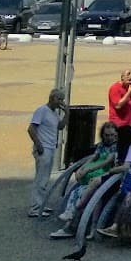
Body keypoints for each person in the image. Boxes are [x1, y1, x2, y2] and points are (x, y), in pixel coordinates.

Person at [47, 122, 119, 237]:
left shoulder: (116, 147)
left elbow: (107, 162)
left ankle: (71, 225)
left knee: (84, 194)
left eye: (112, 135)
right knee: (76, 191)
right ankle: (70, 216)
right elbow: (93, 158)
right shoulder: (101, 145)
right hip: (94, 176)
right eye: (106, 135)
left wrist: (88, 170)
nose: (109, 138)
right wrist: (82, 168)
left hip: (103, 177)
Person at [27, 88, 66, 217]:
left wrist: (67, 114)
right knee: (41, 178)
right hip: (43, 148)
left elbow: (60, 127)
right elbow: (31, 128)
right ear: (52, 98)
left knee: (45, 178)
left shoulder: (54, 113)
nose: (61, 102)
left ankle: (41, 204)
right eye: (59, 99)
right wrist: (38, 144)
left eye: (62, 99)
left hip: (50, 147)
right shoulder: (42, 110)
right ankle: (35, 207)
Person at [107, 69, 131, 145]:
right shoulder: (115, 88)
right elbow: (118, 105)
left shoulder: (127, 88)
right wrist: (129, 92)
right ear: (122, 77)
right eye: (129, 79)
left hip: (126, 125)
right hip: (118, 125)